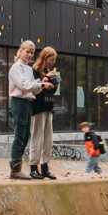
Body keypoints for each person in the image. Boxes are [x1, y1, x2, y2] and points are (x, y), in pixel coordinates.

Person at [6, 39, 43, 181]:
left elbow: (34, 89)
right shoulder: (16, 67)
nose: (30, 55)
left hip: (28, 102)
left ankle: (17, 167)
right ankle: (15, 167)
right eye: (27, 51)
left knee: (26, 135)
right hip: (19, 101)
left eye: (32, 53)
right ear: (20, 51)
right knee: (20, 134)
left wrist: (42, 84)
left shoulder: (28, 68)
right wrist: (40, 84)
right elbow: (25, 86)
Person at [29, 47, 61, 179]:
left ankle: (44, 166)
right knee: (37, 137)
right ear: (44, 57)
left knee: (48, 139)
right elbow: (35, 86)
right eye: (50, 59)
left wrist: (55, 82)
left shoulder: (48, 71)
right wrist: (47, 78)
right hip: (37, 107)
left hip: (49, 106)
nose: (51, 62)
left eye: (53, 60)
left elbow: (51, 90)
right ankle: (33, 167)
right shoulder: (34, 70)